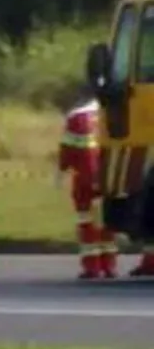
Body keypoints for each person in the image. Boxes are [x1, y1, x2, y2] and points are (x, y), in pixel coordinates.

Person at [55, 91, 118, 279]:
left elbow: (68, 150)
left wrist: (61, 172)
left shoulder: (77, 118)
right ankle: (109, 266)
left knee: (87, 222)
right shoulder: (113, 112)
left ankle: (92, 266)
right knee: (107, 222)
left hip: (85, 179)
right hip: (110, 176)